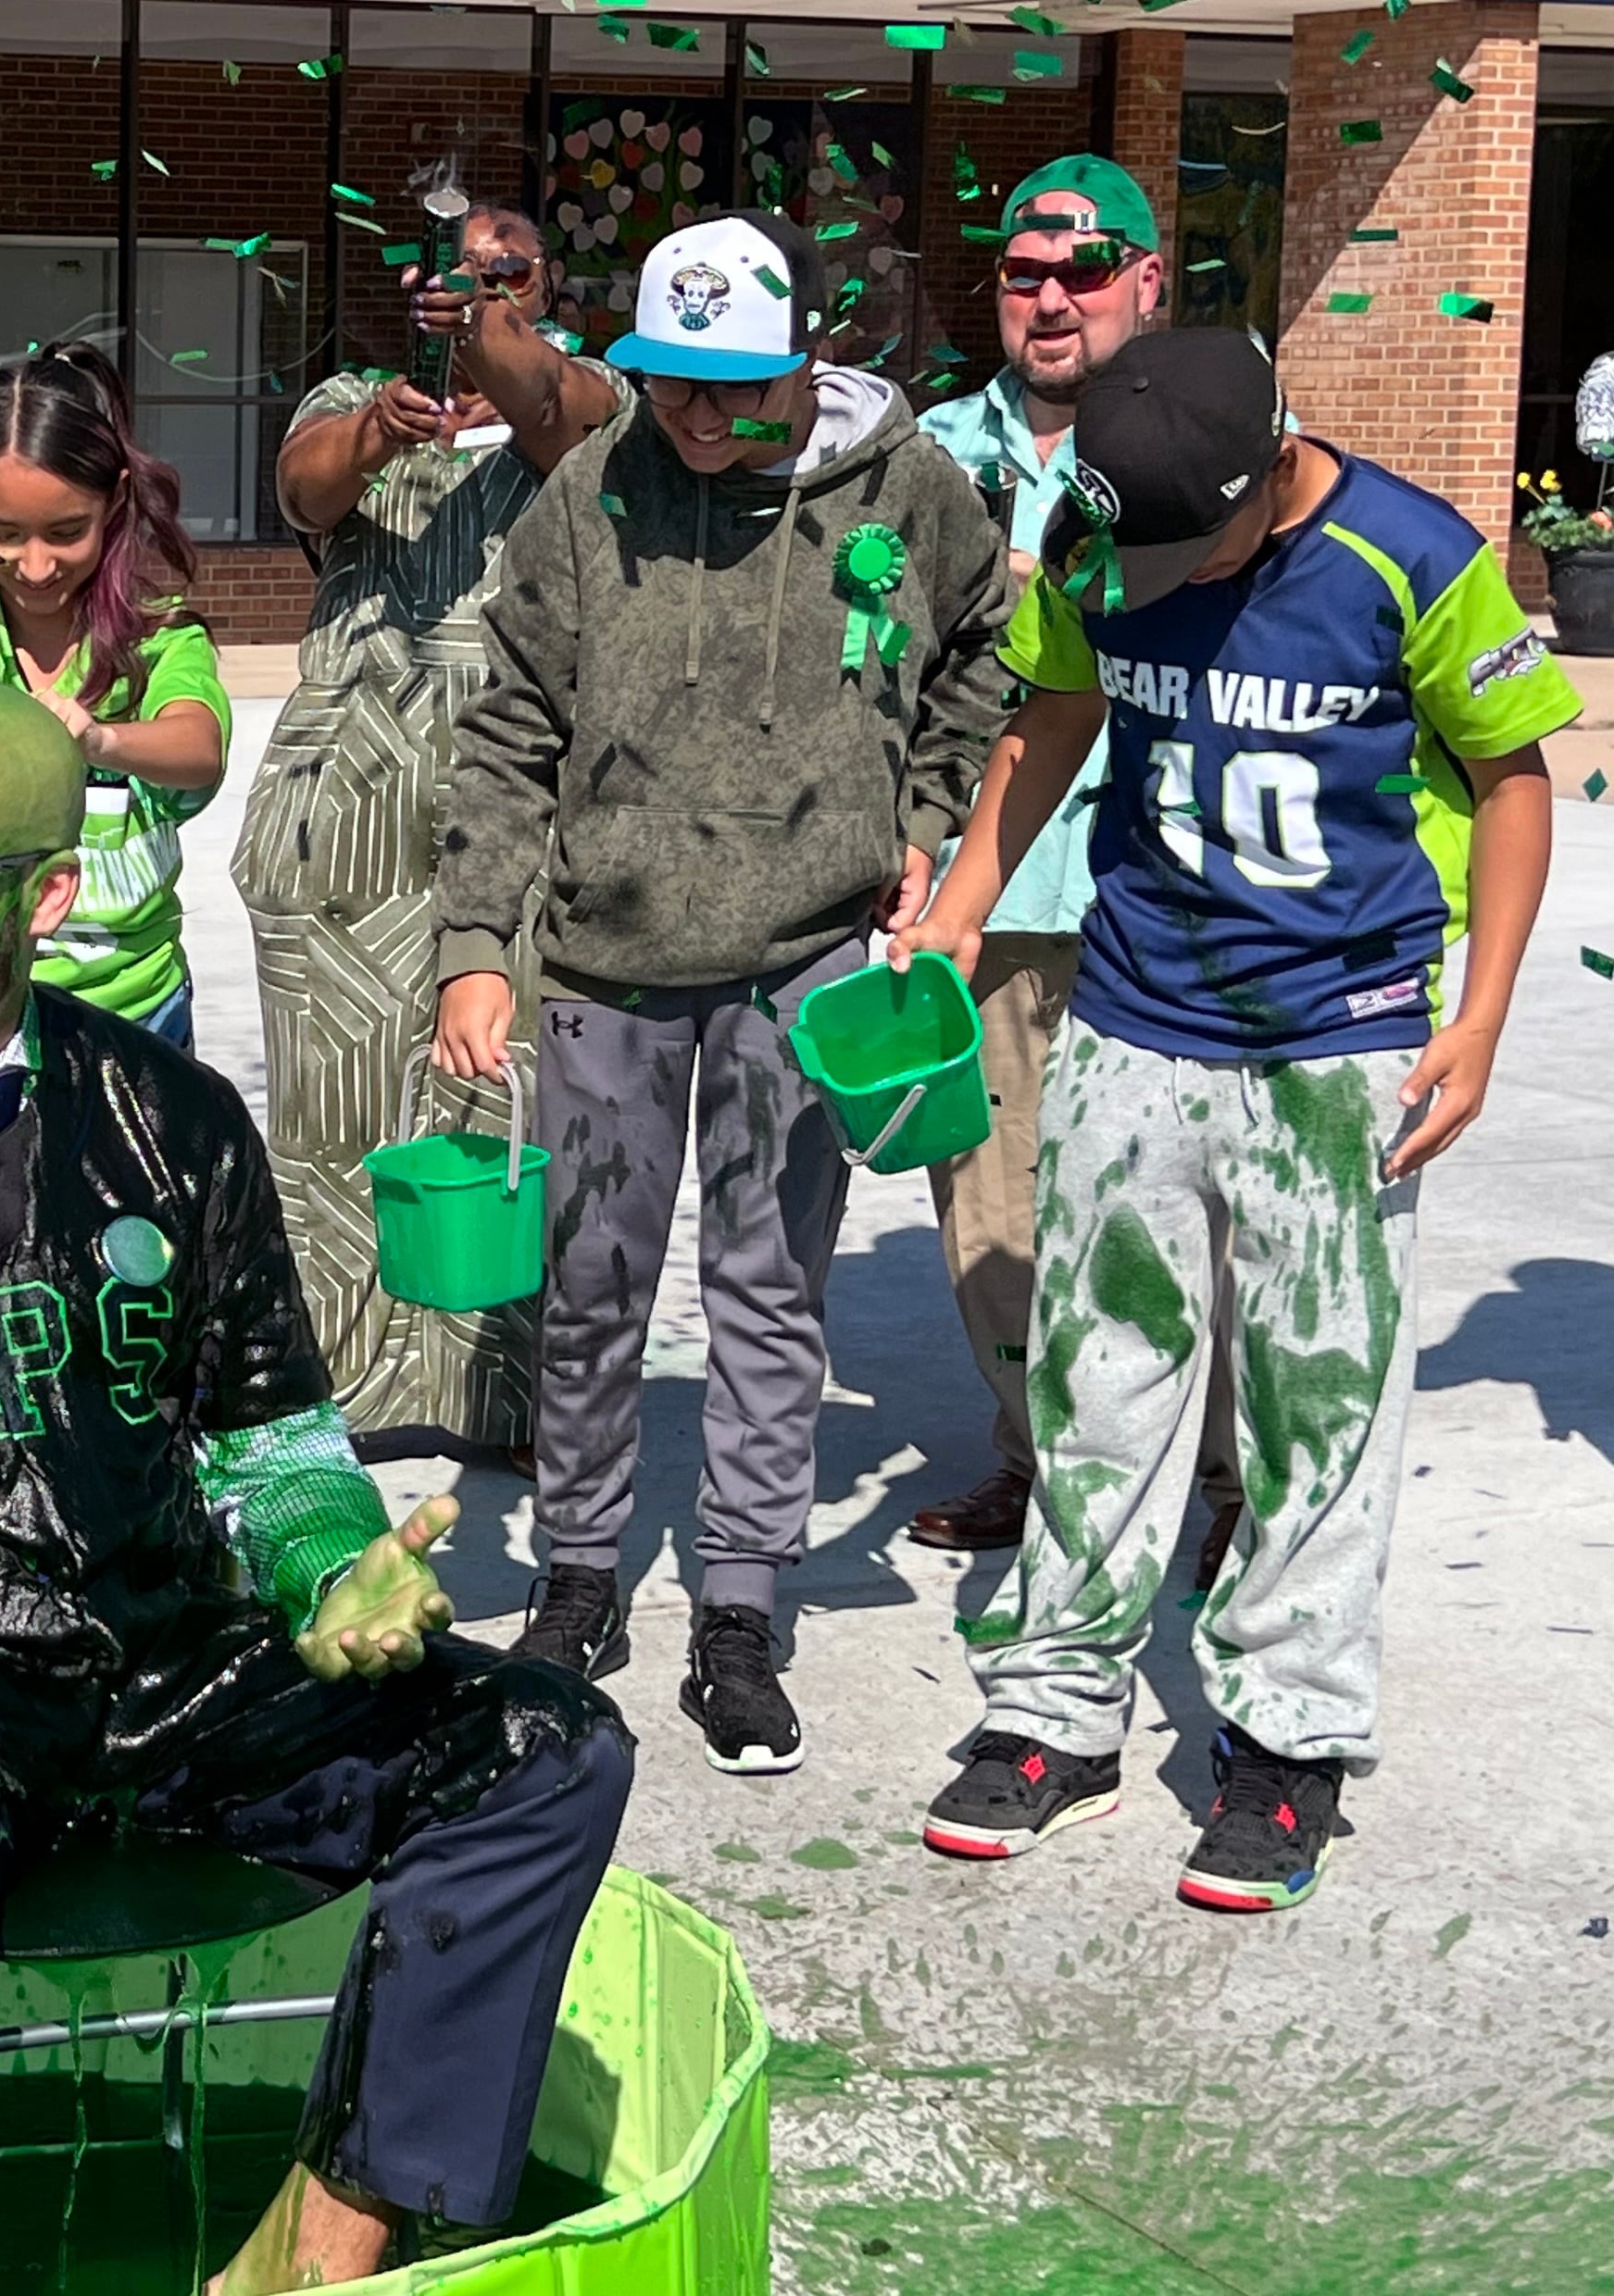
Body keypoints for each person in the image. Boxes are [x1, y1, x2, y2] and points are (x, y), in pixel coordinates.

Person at [0, 681, 632, 2296]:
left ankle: (316, 2252)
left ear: (49, 896)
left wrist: (331, 1568)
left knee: (545, 1746)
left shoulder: (179, 1122)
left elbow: (268, 1450)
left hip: (160, 1671)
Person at [907, 331, 1572, 1911]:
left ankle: (1286, 1748)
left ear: (1271, 459)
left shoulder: (1413, 557)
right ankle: (1055, 1714)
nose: (1139, 580)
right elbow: (1050, 719)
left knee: (1317, 1409)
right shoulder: (1098, 534)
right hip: (1134, 1024)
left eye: (1176, 550)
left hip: (1341, 1046)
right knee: (1098, 1384)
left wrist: (1477, 1023)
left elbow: (1515, 780)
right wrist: (956, 910)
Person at [432, 212, 1010, 1777]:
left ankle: (741, 1609)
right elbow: (508, 730)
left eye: (731, 389)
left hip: (800, 961)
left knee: (768, 1295)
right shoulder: (592, 487)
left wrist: (929, 811)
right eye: (671, 385)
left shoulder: (906, 486)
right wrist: (477, 944)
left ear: (804, 358)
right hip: (604, 965)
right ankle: (575, 1577)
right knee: (590, 1287)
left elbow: (984, 652)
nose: (696, 418)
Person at [235, 202, 619, 1462]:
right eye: (451, 273)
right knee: (332, 1103)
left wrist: (493, 341)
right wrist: (377, 425)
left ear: (541, 280)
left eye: (502, 270)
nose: (472, 286)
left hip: (514, 795)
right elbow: (301, 485)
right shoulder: (356, 395)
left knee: (501, 1104)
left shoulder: (592, 393)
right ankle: (342, 1385)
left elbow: (555, 414)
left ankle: (502, 1398)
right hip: (351, 789)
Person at [906, 156, 1241, 1567]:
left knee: (1179, 1212)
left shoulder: (1215, 435)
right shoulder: (924, 451)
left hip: (1165, 893)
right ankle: (1044, 1463)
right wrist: (905, 850)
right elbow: (886, 664)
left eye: (1085, 271)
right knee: (993, 1208)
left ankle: (1220, 1482)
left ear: (1149, 283)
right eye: (1023, 274)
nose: (1050, 300)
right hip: (987, 897)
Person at [0, 344, 225, 1049]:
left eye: (66, 532)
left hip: (138, 1012)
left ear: (115, 498)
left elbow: (197, 746)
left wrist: (102, 740)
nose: (34, 565)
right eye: (2, 534)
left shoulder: (159, 638)